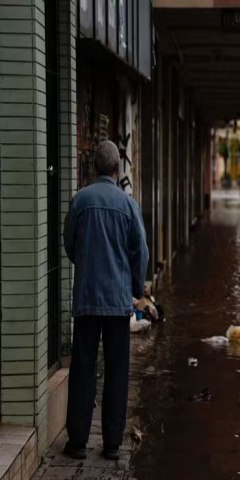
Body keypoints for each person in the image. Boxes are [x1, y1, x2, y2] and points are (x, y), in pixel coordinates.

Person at [63, 140, 149, 461]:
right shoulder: (128, 206)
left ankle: (78, 443)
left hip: (86, 299)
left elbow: (68, 243)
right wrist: (137, 288)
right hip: (116, 302)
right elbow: (140, 251)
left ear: (94, 168)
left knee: (83, 368)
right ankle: (112, 444)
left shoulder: (79, 201)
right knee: (116, 370)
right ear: (116, 169)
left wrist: (84, 264)